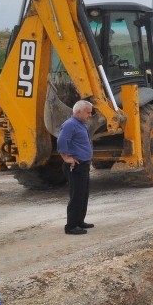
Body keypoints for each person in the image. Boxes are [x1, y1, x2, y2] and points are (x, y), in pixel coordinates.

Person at [58, 100, 95, 235]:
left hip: (83, 165)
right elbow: (62, 141)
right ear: (78, 112)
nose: (90, 115)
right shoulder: (70, 125)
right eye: (88, 112)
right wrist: (66, 158)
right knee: (76, 196)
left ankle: (80, 221)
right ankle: (71, 226)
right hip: (75, 166)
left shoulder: (81, 124)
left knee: (84, 195)